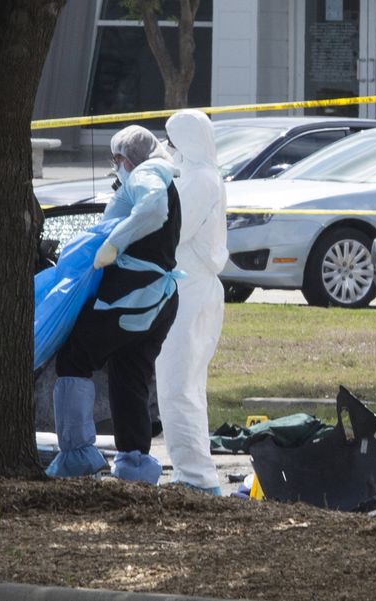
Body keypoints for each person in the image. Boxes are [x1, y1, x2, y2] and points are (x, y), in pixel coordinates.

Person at [46, 125, 182, 482]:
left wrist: (113, 245)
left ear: (126, 157)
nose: (115, 167)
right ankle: (134, 464)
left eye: (117, 159)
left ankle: (77, 455)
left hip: (132, 295)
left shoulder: (147, 174)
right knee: (129, 374)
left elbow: (153, 211)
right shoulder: (165, 175)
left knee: (75, 356)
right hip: (161, 300)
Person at [155, 109, 228, 496]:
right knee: (188, 386)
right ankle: (197, 471)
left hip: (189, 292)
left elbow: (172, 231)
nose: (169, 147)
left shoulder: (199, 181)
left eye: (172, 139)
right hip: (195, 290)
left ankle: (195, 476)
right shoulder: (204, 177)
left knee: (175, 385)